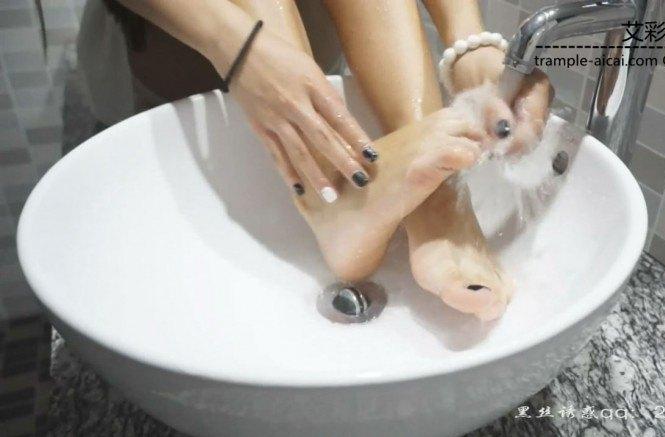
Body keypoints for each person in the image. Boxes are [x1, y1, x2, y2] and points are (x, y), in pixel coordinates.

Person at [93, 0, 553, 320]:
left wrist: (470, 40)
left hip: (307, 46)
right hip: (180, 47)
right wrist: (235, 43)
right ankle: (328, 191)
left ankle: (432, 200)